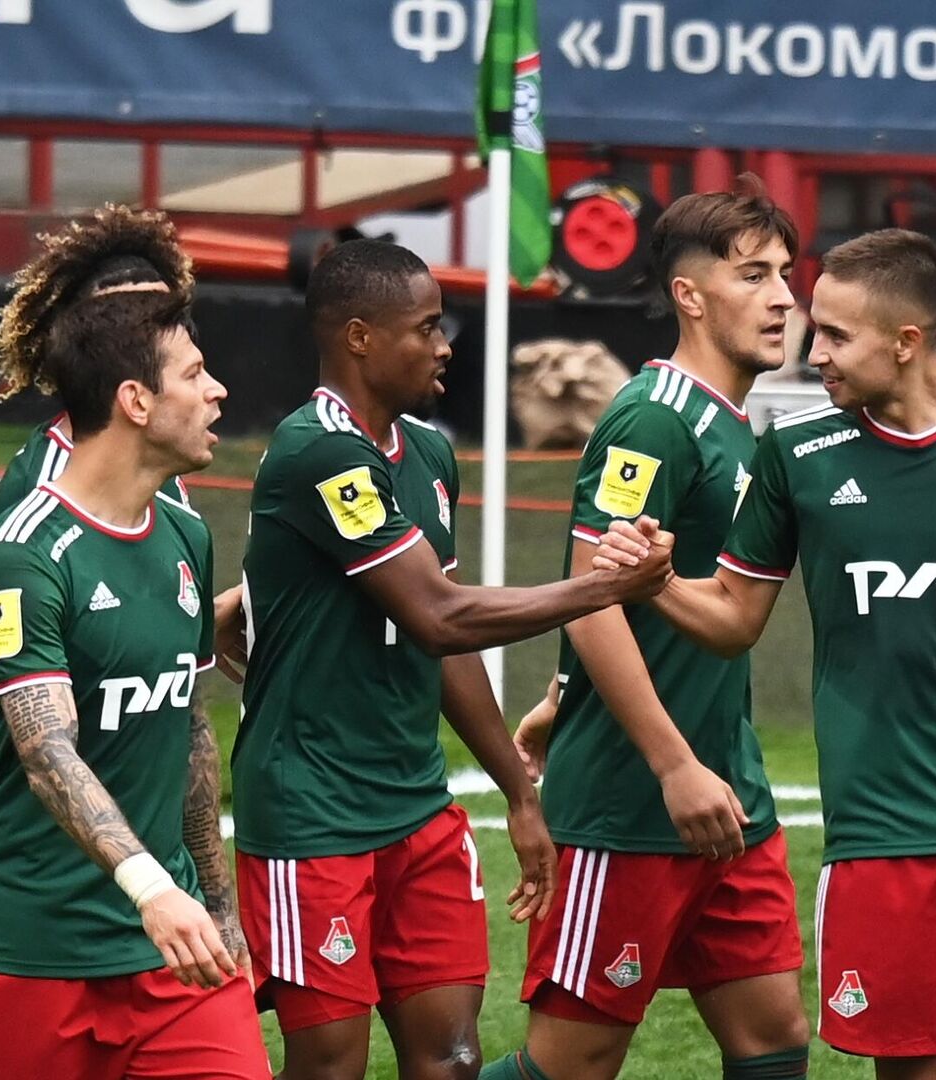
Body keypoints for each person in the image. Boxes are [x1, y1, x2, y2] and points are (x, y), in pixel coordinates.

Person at [600, 228, 936, 1079]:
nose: (813, 352)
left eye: (835, 334)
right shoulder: (796, 455)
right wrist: (656, 583)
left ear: (906, 341)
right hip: (878, 841)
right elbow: (734, 618)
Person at [229, 239, 670, 1080]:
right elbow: (438, 617)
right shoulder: (317, 450)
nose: (444, 346)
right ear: (360, 337)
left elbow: (448, 638)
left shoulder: (427, 454)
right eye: (426, 328)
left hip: (415, 805)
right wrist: (604, 588)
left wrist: (519, 792)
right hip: (311, 813)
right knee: (328, 1068)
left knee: (453, 1060)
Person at [487, 175, 810, 1080]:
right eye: (754, 274)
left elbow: (633, 590)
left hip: (729, 789)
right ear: (690, 296)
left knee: (775, 1037)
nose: (784, 298)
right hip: (635, 804)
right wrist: (673, 767)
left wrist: (560, 694)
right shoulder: (654, 418)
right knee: (574, 1062)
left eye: (786, 273)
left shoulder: (735, 425)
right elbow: (593, 592)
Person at [0, 281, 264, 1077]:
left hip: (173, 955)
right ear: (136, 401)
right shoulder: (25, 554)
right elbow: (47, 751)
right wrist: (152, 890)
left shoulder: (185, 535)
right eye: (194, 374)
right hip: (28, 952)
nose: (218, 391)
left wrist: (216, 907)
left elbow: (187, 731)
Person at [0, 203, 200, 560]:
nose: (148, 333)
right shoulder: (40, 495)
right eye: (125, 318)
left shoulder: (160, 460)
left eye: (163, 316)